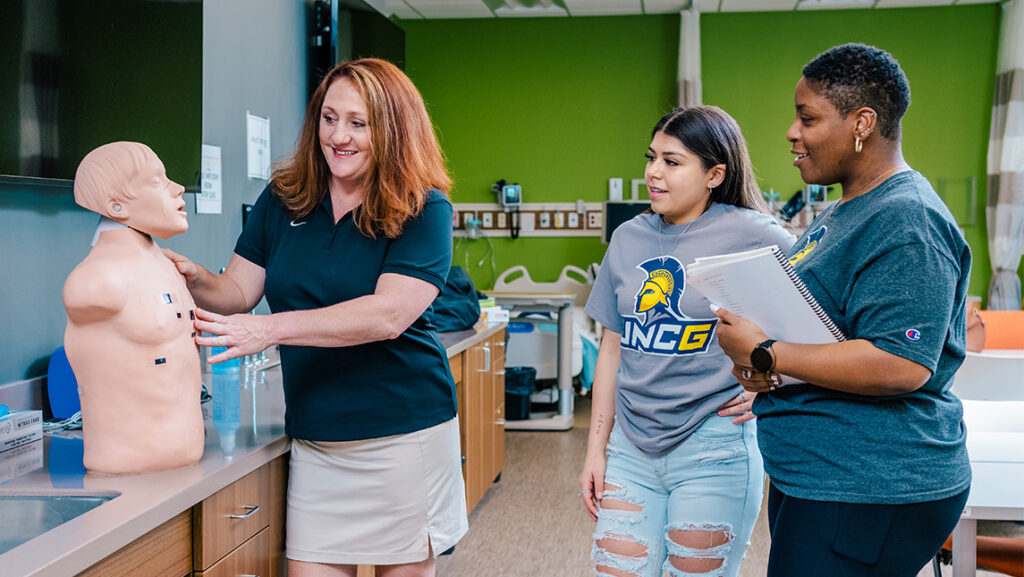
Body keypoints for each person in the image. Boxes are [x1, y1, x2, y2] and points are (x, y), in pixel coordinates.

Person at [164, 58, 466, 577]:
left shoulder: (423, 208)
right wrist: (193, 278)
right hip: (318, 441)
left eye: (358, 123)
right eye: (329, 118)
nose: (338, 136)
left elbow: (388, 315)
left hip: (401, 440)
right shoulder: (284, 199)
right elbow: (237, 291)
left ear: (391, 130)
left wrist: (272, 329)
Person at [712, 43, 972, 577]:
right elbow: (830, 332)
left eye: (808, 117)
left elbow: (901, 364)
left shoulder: (907, 219)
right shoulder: (851, 205)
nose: (791, 131)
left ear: (863, 122)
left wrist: (765, 351)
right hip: (820, 472)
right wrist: (765, 370)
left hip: (866, 483)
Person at [579, 106, 795, 577]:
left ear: (715, 173)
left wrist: (771, 379)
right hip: (630, 449)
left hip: (714, 446)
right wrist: (596, 449)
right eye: (652, 157)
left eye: (672, 162)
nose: (653, 172)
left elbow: (816, 320)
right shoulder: (628, 238)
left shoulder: (755, 234)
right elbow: (612, 349)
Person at [63, 141, 204, 475]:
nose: (178, 188)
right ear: (115, 205)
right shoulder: (97, 280)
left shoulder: (169, 266)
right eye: (157, 180)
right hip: (126, 472)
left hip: (186, 467)